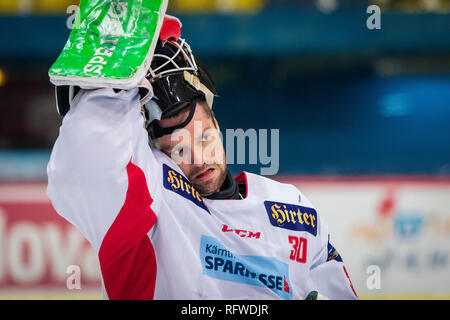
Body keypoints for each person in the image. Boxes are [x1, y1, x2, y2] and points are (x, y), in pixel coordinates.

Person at [47, 12, 358, 300]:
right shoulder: (154, 206)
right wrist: (112, 85)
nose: (199, 159)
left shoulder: (293, 207)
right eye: (178, 150)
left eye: (205, 137)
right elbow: (85, 171)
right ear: (155, 154)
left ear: (219, 127)